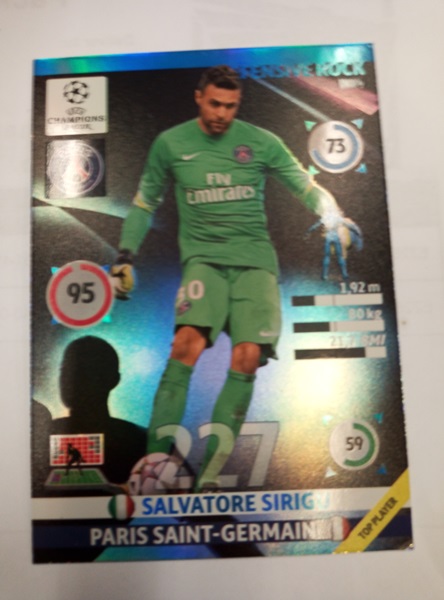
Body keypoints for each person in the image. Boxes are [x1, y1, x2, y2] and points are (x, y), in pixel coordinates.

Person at [112, 65, 352, 492]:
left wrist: (333, 216)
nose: (222, 113)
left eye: (231, 106)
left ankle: (206, 482)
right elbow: (145, 204)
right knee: (184, 346)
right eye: (215, 104)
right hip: (203, 263)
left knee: (246, 358)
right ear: (198, 97)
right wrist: (125, 256)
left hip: (254, 265)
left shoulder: (261, 141)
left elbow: (305, 186)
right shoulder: (170, 143)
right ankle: (152, 471)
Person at [51, 336, 147, 484]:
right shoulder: (42, 436)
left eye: (84, 370)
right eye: (65, 369)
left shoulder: (142, 443)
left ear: (113, 379)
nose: (71, 378)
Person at [306, 210, 363, 280]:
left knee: (327, 256)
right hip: (336, 237)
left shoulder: (325, 218)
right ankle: (344, 274)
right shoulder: (337, 218)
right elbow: (349, 225)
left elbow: (315, 225)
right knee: (340, 256)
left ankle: (324, 275)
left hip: (329, 237)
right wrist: (357, 231)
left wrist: (308, 232)